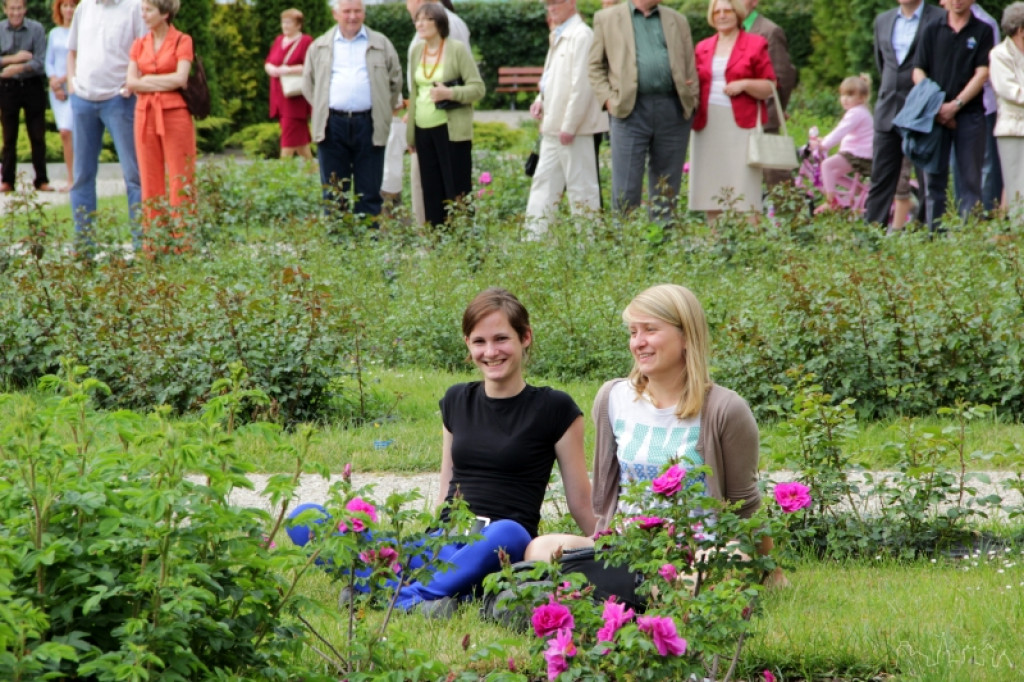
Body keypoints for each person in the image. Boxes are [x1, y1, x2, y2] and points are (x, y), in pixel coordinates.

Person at [289, 288, 596, 614]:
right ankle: (427, 596)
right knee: (302, 517)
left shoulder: (555, 408)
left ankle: (390, 595)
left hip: (496, 548)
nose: (490, 352)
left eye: (501, 339)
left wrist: (614, 545)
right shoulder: (456, 400)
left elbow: (580, 501)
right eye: (479, 341)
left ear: (525, 338)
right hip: (439, 544)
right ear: (467, 343)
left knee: (508, 530)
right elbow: (445, 489)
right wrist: (430, 541)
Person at [523, 283, 764, 566]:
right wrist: (603, 542)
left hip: (695, 553)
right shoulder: (613, 398)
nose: (638, 342)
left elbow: (746, 507)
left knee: (722, 560)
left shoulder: (724, 409)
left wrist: (769, 571)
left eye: (650, 330)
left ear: (686, 336)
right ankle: (631, 583)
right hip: (625, 547)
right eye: (633, 332)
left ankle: (641, 587)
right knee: (540, 549)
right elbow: (604, 502)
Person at [588, 0, 698, 226]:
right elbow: (595, 66)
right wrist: (609, 101)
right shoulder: (606, 18)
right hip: (630, 110)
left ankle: (661, 247)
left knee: (667, 186)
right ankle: (625, 249)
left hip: (673, 110)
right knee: (626, 186)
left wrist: (691, 97)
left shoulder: (677, 20)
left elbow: (689, 64)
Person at [302, 0, 403, 220]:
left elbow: (395, 82)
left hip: (370, 123)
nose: (352, 16)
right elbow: (309, 85)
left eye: (357, 11)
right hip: (332, 125)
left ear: (364, 14)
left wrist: (382, 109)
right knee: (334, 190)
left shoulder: (381, 44)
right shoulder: (320, 46)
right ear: (335, 14)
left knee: (369, 191)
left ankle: (368, 243)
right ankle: (338, 245)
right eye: (347, 11)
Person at [688, 0, 777, 223]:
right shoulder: (702, 47)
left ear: (737, 13)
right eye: (716, 11)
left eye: (727, 10)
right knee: (711, 187)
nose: (722, 15)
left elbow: (770, 86)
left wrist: (745, 84)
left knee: (745, 189)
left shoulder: (756, 44)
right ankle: (715, 249)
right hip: (707, 125)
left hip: (741, 124)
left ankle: (750, 250)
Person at [524, 0, 607, 237]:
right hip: (552, 127)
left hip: (574, 130)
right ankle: (533, 243)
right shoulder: (558, 32)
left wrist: (569, 126)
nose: (550, 7)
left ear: (572, 2)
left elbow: (582, 85)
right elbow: (551, 78)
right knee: (543, 185)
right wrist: (540, 99)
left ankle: (589, 247)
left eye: (555, 2)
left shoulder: (582, 35)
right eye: (547, 3)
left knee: (582, 189)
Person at [67, 0, 146, 246]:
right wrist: (72, 84)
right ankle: (84, 246)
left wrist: (131, 85)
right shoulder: (84, 7)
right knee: (81, 176)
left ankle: (142, 245)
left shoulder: (134, 7)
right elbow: (72, 50)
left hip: (119, 100)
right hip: (83, 99)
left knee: (134, 175)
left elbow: (145, 50)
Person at [912, 0, 993, 232]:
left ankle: (969, 238)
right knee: (933, 180)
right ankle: (934, 237)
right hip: (934, 116)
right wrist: (936, 105)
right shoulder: (930, 28)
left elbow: (982, 73)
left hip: (970, 116)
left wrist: (955, 105)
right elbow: (918, 70)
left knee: (970, 179)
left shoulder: (983, 30)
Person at [863, 0, 944, 230]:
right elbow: (884, 66)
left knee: (928, 177)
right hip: (888, 109)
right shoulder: (883, 20)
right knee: (881, 178)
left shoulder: (938, 17)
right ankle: (872, 235)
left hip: (922, 110)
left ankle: (929, 233)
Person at [125, 0, 195, 253]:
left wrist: (148, 79)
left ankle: (183, 244)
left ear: (165, 14)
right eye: (143, 10)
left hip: (175, 114)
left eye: (149, 10)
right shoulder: (139, 44)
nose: (143, 15)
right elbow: (131, 82)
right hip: (145, 114)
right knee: (149, 177)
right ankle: (153, 245)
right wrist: (158, 82)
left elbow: (181, 78)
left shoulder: (182, 41)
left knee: (180, 178)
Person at [406, 2, 484, 227]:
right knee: (430, 192)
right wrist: (411, 135)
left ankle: (464, 244)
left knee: (457, 190)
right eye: (417, 20)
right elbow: (415, 92)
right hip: (423, 131)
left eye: (425, 19)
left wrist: (449, 92)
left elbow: (478, 88)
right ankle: (437, 248)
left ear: (439, 23)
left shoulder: (456, 49)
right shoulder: (417, 51)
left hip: (450, 131)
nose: (419, 24)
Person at [742, 0, 796, 190]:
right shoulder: (728, 29)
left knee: (775, 176)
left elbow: (783, 76)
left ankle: (792, 218)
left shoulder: (769, 31)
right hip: (736, 116)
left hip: (763, 115)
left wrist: (774, 111)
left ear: (754, 2)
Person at [1, 0, 52, 193]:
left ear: (25, 9)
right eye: (12, 8)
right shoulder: (0, 30)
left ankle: (41, 180)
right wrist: (15, 58)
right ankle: (7, 181)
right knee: (9, 137)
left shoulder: (36, 29)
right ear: (5, 9)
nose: (16, 12)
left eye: (19, 8)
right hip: (7, 88)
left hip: (32, 86)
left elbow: (40, 61)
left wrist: (18, 67)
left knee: (37, 135)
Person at [812, 75, 874, 213]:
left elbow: (840, 131)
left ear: (862, 98)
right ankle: (859, 192)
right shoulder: (860, 112)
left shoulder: (856, 113)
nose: (845, 99)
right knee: (833, 174)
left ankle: (831, 202)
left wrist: (823, 145)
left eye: (850, 95)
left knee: (826, 165)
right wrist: (824, 141)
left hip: (859, 156)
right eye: (843, 95)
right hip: (859, 154)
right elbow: (842, 133)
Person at [265, 9, 313, 160]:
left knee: (288, 137)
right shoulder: (279, 40)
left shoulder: (306, 41)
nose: (285, 26)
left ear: (298, 25)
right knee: (300, 142)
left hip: (295, 97)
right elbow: (269, 62)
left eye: (289, 22)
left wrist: (289, 69)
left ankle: (280, 176)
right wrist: (271, 69)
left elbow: (312, 66)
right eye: (283, 22)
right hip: (280, 95)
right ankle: (312, 171)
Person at [990, 2, 1024, 211]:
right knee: (1017, 188)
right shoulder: (1000, 54)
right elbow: (1010, 91)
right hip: (1012, 129)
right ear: (1021, 30)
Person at [44, 0, 78, 192]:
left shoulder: (81, 33)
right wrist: (53, 81)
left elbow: (79, 59)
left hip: (74, 87)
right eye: (65, 6)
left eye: (72, 6)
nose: (68, 10)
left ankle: (77, 178)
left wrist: (64, 79)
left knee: (71, 132)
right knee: (64, 134)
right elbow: (49, 61)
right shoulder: (54, 33)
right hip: (56, 92)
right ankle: (70, 178)